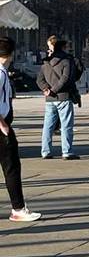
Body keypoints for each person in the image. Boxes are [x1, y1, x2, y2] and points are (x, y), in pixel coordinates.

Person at [0, 37, 41, 222]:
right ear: (10, 54)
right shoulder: (0, 73)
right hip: (2, 127)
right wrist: (3, 125)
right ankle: (18, 208)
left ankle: (18, 207)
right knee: (12, 168)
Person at [36, 36, 80, 160]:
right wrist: (54, 90)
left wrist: (47, 90)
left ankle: (45, 151)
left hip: (49, 99)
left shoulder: (46, 63)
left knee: (48, 126)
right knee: (66, 125)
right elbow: (66, 79)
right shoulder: (67, 61)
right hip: (63, 97)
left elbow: (39, 79)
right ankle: (67, 151)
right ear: (63, 48)